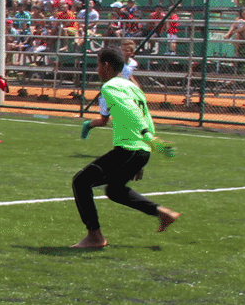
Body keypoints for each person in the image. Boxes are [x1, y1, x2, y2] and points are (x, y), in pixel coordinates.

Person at [71, 47, 181, 248]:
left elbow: (130, 112)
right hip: (138, 150)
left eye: (97, 64)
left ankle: (95, 237)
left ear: (105, 66)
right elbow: (145, 115)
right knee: (114, 190)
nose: (97, 69)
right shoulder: (133, 87)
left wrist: (146, 136)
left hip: (130, 149)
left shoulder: (110, 87)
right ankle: (162, 213)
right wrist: (144, 147)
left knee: (81, 182)